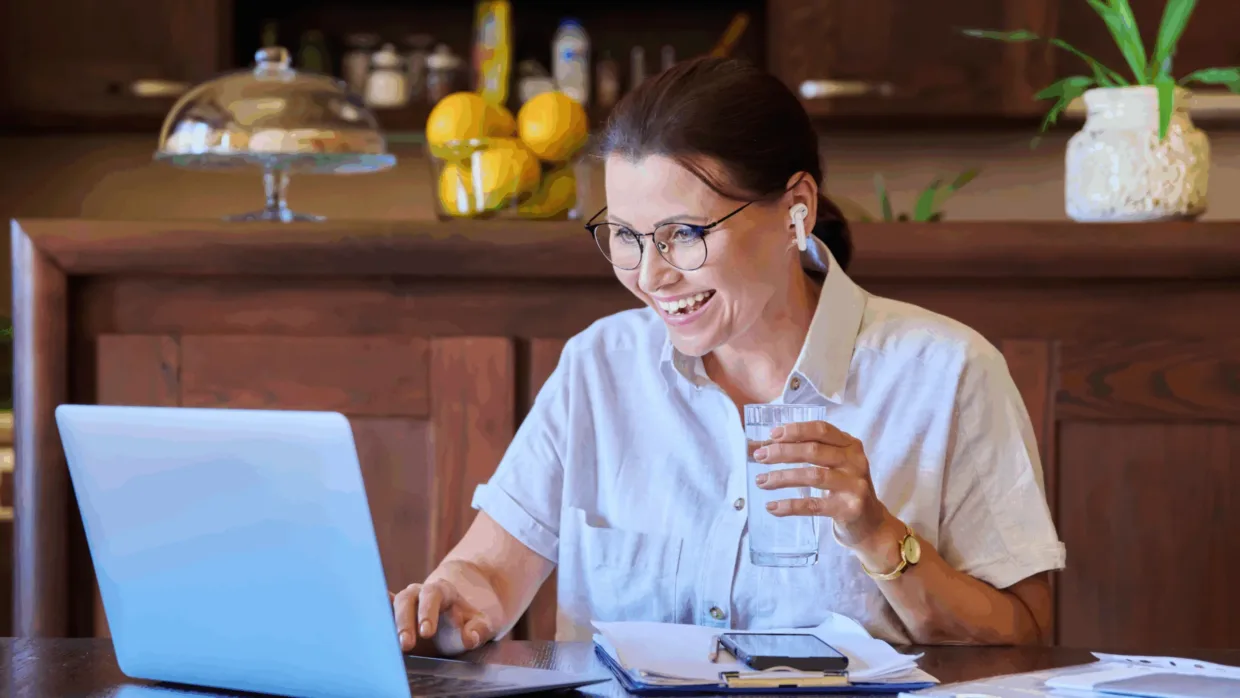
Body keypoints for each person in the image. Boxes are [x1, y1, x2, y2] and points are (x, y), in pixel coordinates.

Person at [391, 56, 1065, 654]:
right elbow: (485, 576)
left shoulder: (946, 373)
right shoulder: (599, 367)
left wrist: (878, 534)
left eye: (683, 233)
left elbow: (1024, 638)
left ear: (795, 209)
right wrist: (447, 606)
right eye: (625, 235)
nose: (650, 276)